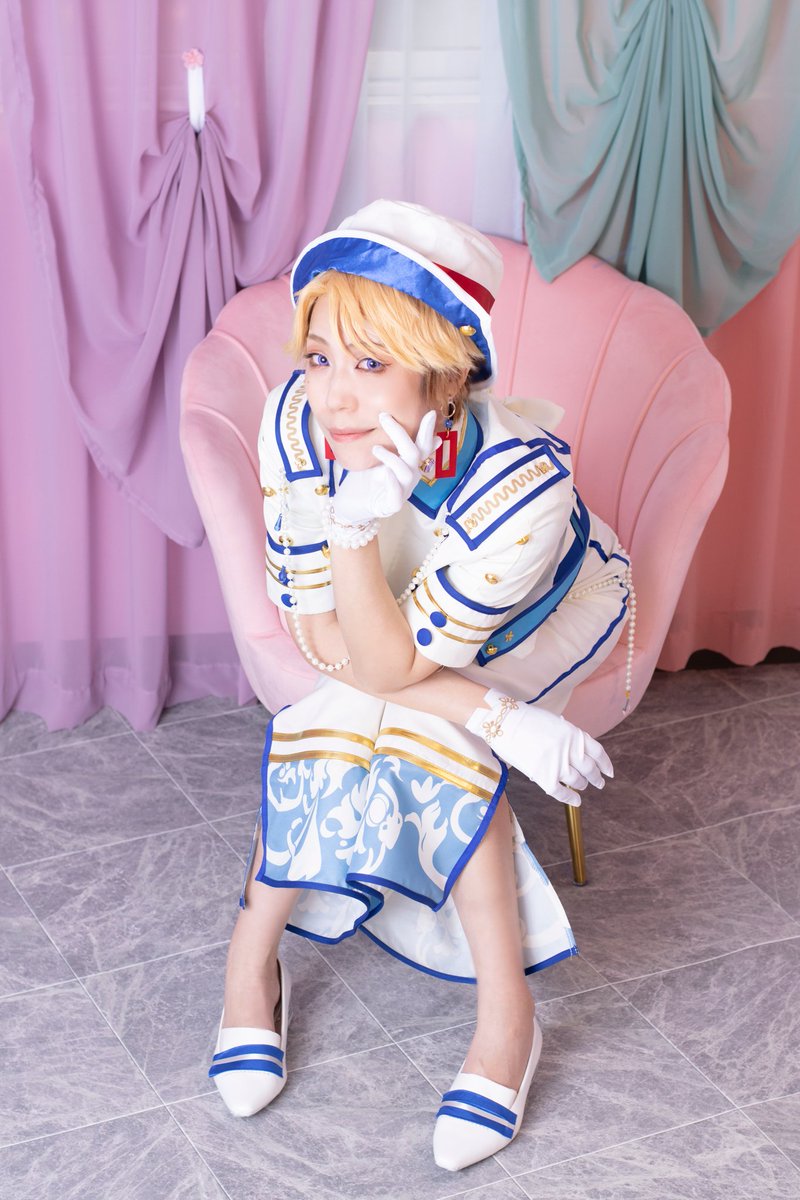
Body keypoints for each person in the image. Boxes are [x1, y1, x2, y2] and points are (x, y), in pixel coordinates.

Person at [208, 200, 633, 1172]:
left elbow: (389, 669)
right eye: (319, 356)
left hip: (546, 609)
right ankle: (255, 964)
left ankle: (497, 1021)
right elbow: (321, 637)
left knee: (422, 730)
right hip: (391, 610)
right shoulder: (296, 424)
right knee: (417, 713)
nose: (333, 396)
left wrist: (360, 541)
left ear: (444, 377)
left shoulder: (517, 493)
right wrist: (501, 720)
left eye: (371, 364)